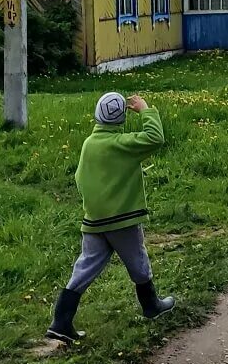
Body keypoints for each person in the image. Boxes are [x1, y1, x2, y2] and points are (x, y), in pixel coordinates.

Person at [46, 92, 176, 344]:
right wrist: (146, 110)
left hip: (93, 219)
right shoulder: (123, 144)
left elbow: (79, 178)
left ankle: (60, 321)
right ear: (121, 119)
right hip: (122, 220)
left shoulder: (89, 144)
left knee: (85, 267)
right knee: (137, 262)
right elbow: (155, 138)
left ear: (96, 116)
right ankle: (151, 306)